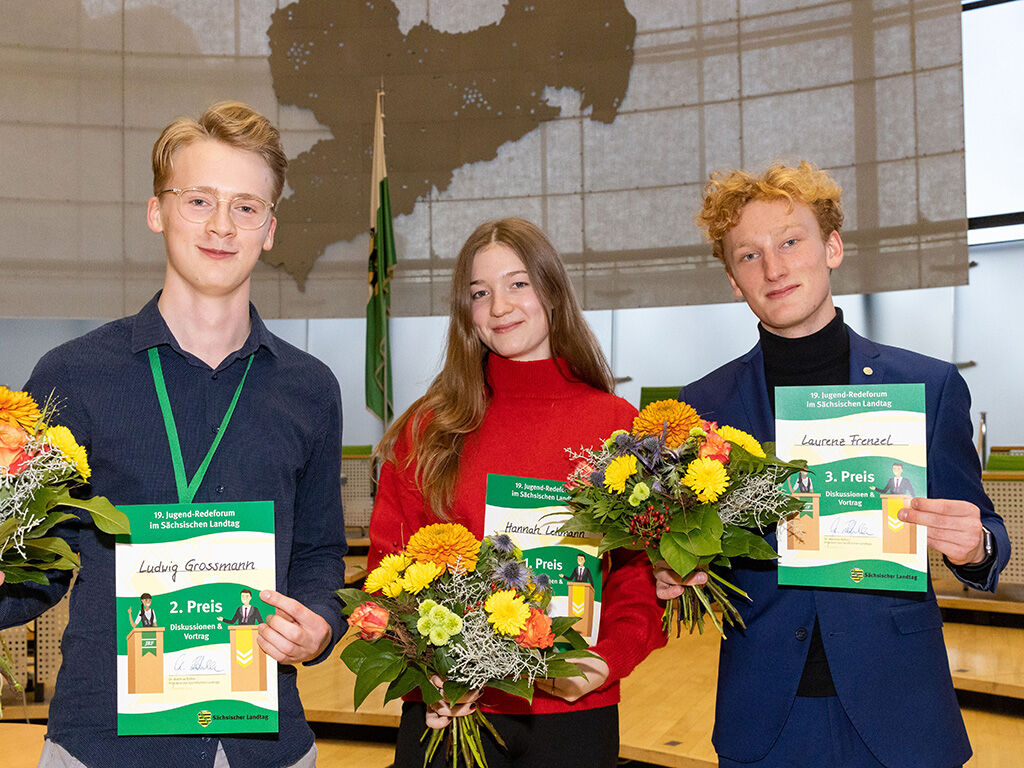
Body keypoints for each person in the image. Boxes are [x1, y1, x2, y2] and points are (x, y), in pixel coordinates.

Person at [0, 102, 346, 768]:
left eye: (247, 207)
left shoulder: (310, 388)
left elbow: (319, 549)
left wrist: (319, 622)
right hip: (104, 745)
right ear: (156, 211)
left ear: (270, 230)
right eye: (199, 200)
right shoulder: (71, 375)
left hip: (266, 745)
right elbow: (34, 566)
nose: (221, 225)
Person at [655, 162, 1010, 768]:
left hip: (899, 708)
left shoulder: (927, 386)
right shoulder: (701, 408)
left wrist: (972, 544)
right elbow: (682, 550)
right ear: (733, 281)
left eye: (791, 242)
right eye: (749, 255)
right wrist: (672, 575)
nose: (774, 268)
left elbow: (989, 538)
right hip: (766, 713)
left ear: (833, 248)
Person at [368, 217, 665, 768]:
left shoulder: (619, 427)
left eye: (518, 283)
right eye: (480, 293)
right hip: (453, 712)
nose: (499, 306)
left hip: (575, 716)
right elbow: (388, 570)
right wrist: (427, 669)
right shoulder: (426, 431)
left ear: (551, 291)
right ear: (466, 313)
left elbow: (636, 571)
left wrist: (606, 660)